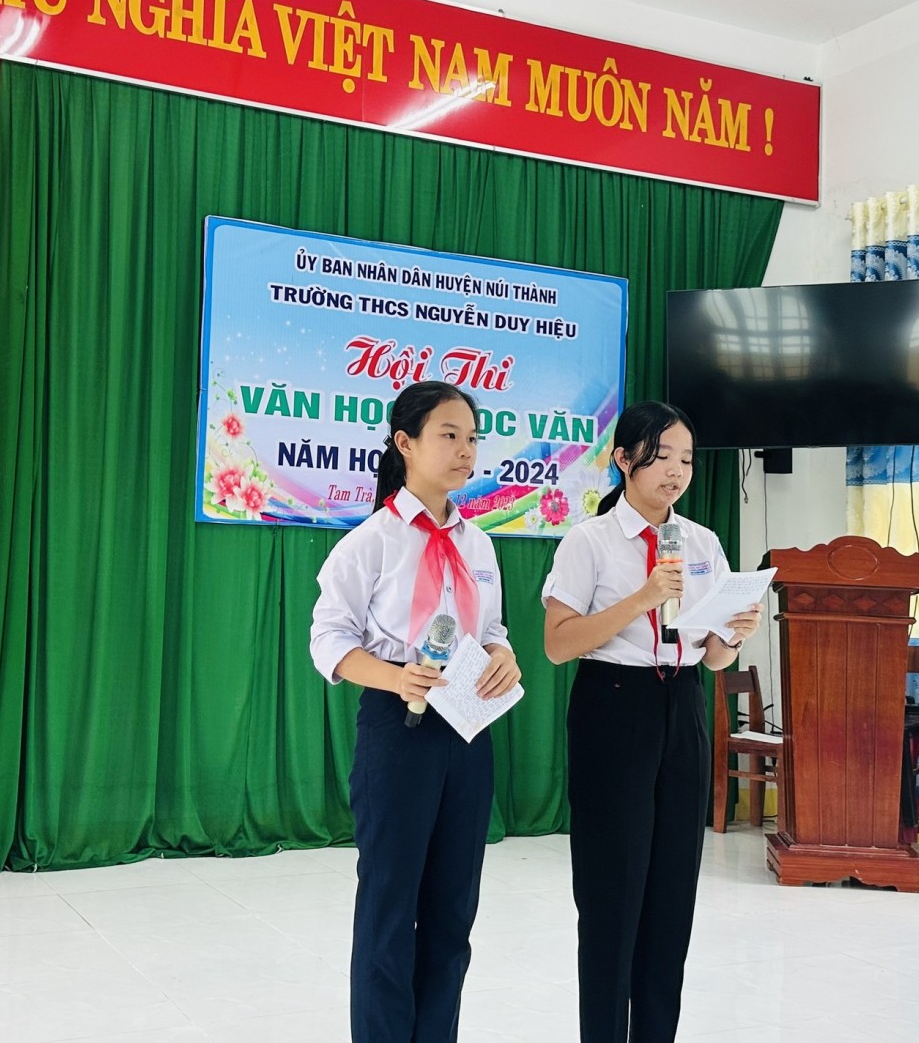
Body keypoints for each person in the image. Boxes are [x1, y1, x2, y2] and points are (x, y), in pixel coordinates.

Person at [541, 400, 761, 1043]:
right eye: (661, 456)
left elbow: (713, 657)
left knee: (671, 894)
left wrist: (734, 633)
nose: (676, 472)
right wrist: (642, 598)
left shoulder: (703, 543)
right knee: (612, 892)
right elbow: (557, 644)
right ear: (623, 460)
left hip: (683, 704)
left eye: (686, 460)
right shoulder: (589, 541)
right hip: (613, 705)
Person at [310, 380, 522, 1043]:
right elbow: (329, 640)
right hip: (397, 729)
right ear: (405, 443)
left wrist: (503, 654)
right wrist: (398, 678)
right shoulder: (371, 542)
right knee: (389, 907)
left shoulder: (478, 544)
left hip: (468, 728)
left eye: (472, 438)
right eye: (449, 435)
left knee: (453, 912)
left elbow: (492, 628)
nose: (465, 451)